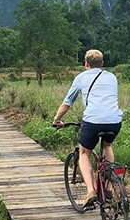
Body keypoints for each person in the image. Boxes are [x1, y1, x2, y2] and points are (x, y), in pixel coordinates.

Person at [53, 49, 123, 209]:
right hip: (114, 120)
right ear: (102, 63)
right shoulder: (112, 77)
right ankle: (108, 184)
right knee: (107, 145)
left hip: (92, 121)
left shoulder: (81, 77)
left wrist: (57, 120)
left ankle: (91, 190)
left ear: (86, 64)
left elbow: (67, 103)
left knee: (84, 153)